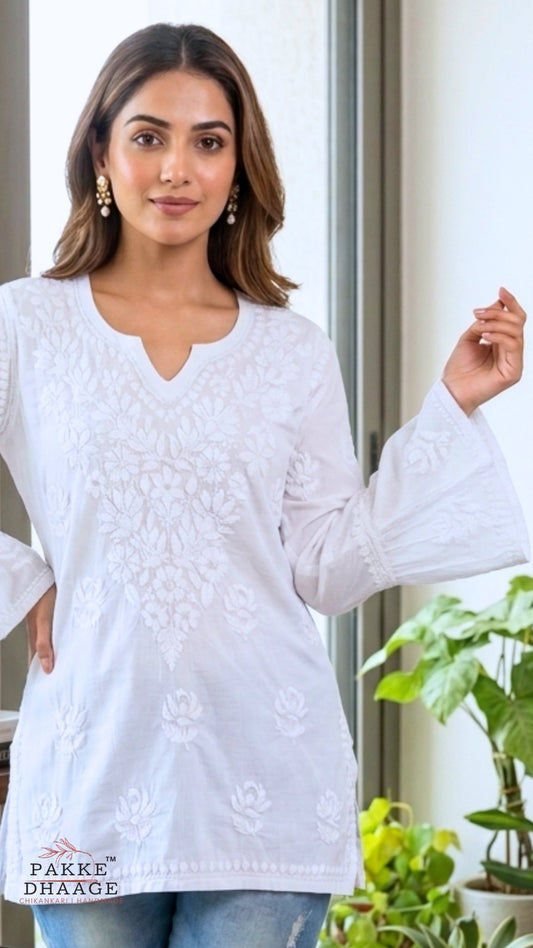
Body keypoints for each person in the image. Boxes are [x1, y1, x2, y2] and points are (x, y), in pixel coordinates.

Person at [0, 21, 528, 948]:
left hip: (265, 789)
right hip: (82, 787)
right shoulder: (26, 327)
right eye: (148, 135)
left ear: (240, 167)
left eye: (208, 141)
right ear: (100, 150)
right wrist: (23, 578)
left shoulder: (292, 352)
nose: (176, 169)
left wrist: (450, 406)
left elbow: (323, 568)